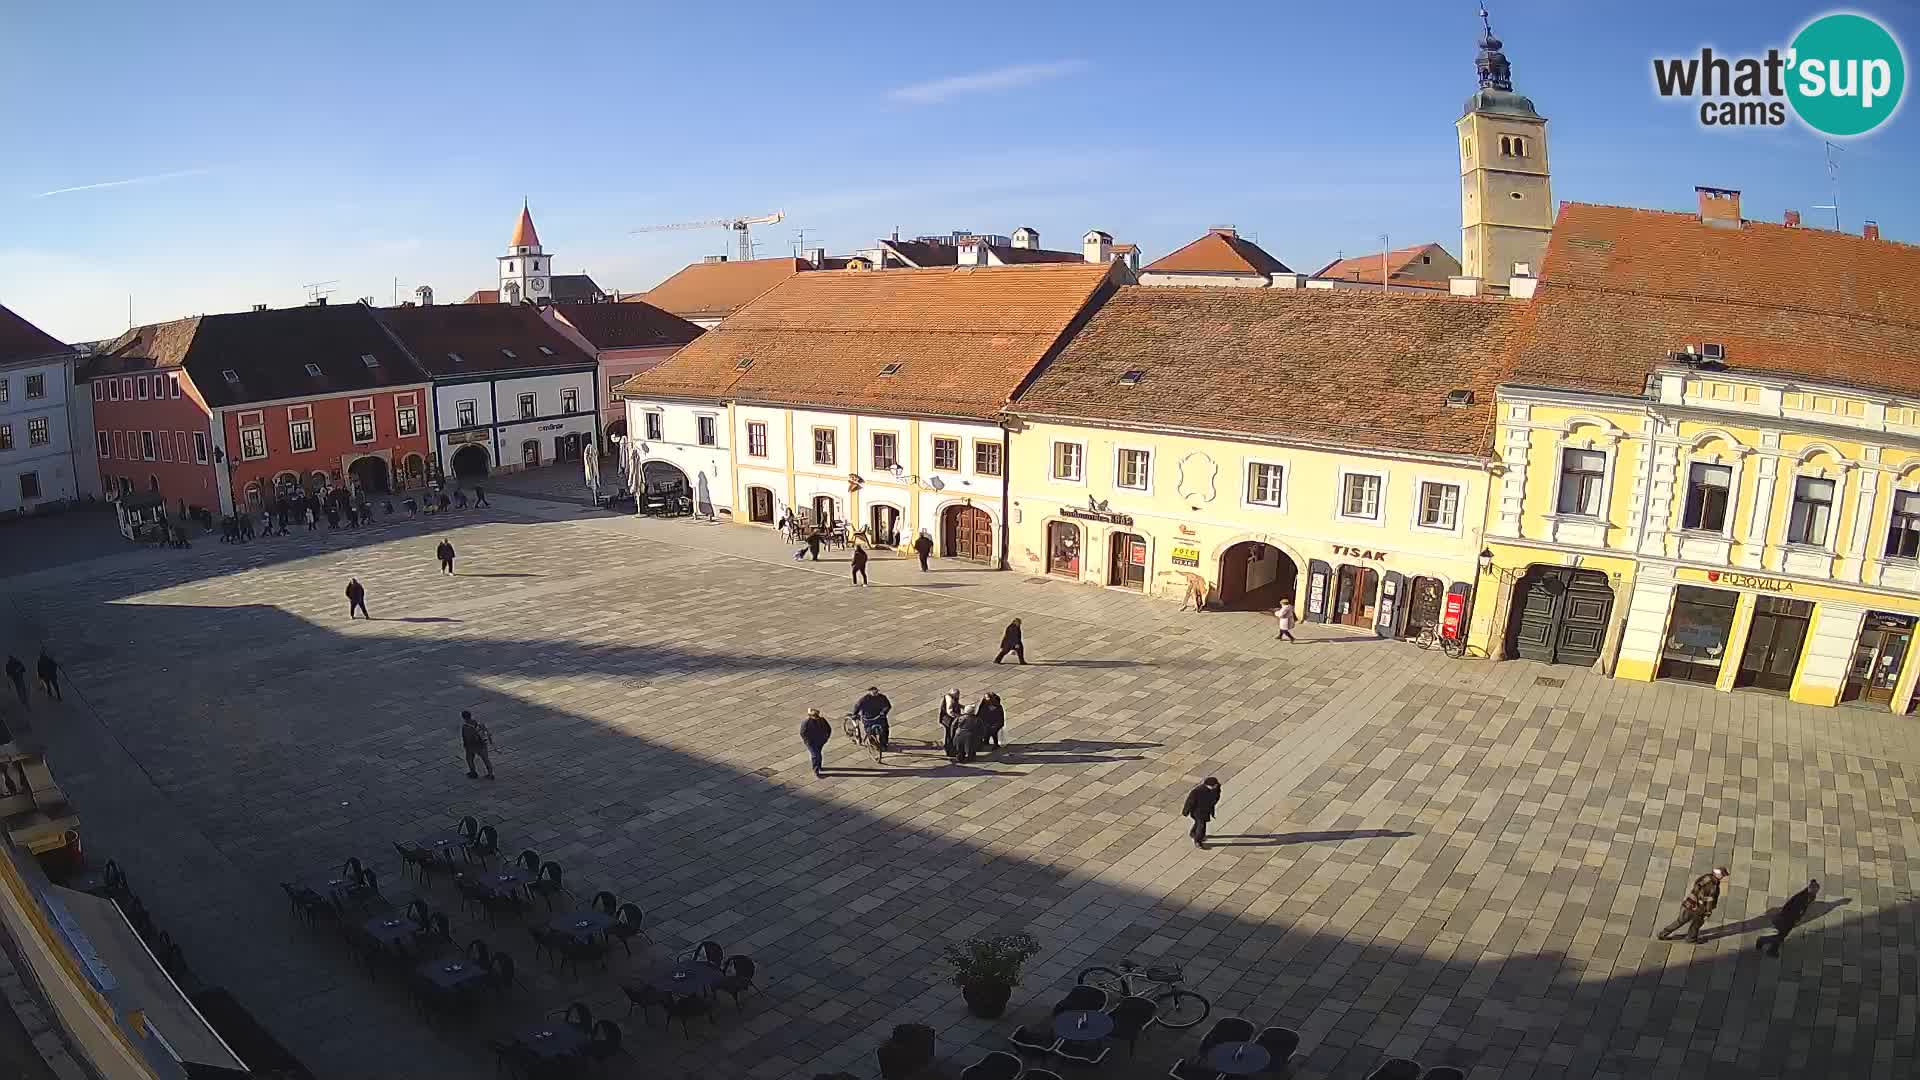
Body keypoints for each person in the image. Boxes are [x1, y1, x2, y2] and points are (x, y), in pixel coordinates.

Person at [1657, 866, 1730, 944]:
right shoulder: (1713, 886)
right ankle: (1691, 939)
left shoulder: (1706, 877)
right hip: (1699, 909)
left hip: (1688, 904)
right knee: (1697, 923)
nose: (1723, 877)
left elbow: (1697, 886)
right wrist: (1708, 912)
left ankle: (1663, 934)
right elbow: (1709, 900)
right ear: (1718, 875)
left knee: (1680, 921)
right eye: (1722, 875)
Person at [1757, 879, 1819, 956]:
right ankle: (1762, 940)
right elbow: (1793, 910)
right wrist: (1796, 918)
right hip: (1786, 920)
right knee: (1781, 937)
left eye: (1816, 891)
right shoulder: (1801, 899)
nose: (1816, 893)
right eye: (1815, 891)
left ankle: (1772, 950)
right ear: (1810, 889)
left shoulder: (1810, 896)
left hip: (1790, 919)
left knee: (1781, 936)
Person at [1182, 777, 1222, 849]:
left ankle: (1193, 832)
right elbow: (1190, 802)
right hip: (1198, 811)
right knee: (1202, 826)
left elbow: (1216, 797)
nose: (1216, 786)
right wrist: (1186, 811)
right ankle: (1198, 840)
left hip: (1207, 809)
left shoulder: (1216, 788)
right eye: (1214, 785)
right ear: (1208, 785)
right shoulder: (1197, 791)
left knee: (1199, 823)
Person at [460, 710, 495, 780]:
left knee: (469, 759)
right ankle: (490, 774)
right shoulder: (479, 723)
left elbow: (466, 738)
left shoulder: (466, 727)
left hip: (472, 746)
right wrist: (490, 741)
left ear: (463, 718)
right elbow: (487, 732)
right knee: (486, 759)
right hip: (482, 744)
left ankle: (473, 773)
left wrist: (466, 746)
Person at [800, 708, 831, 777]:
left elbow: (829, 728)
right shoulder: (806, 722)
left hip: (820, 741)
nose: (817, 717)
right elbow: (803, 733)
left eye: (817, 716)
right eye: (815, 716)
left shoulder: (822, 720)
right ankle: (816, 770)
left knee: (819, 754)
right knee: (815, 755)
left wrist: (826, 738)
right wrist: (808, 742)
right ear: (811, 716)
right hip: (811, 742)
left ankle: (819, 766)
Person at [938, 689, 964, 756]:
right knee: (949, 735)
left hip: (947, 719)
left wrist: (961, 706)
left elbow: (955, 704)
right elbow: (950, 712)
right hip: (948, 720)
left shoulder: (950, 697)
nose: (958, 696)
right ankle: (949, 750)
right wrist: (958, 716)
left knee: (949, 734)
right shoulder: (950, 701)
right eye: (957, 694)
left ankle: (950, 748)